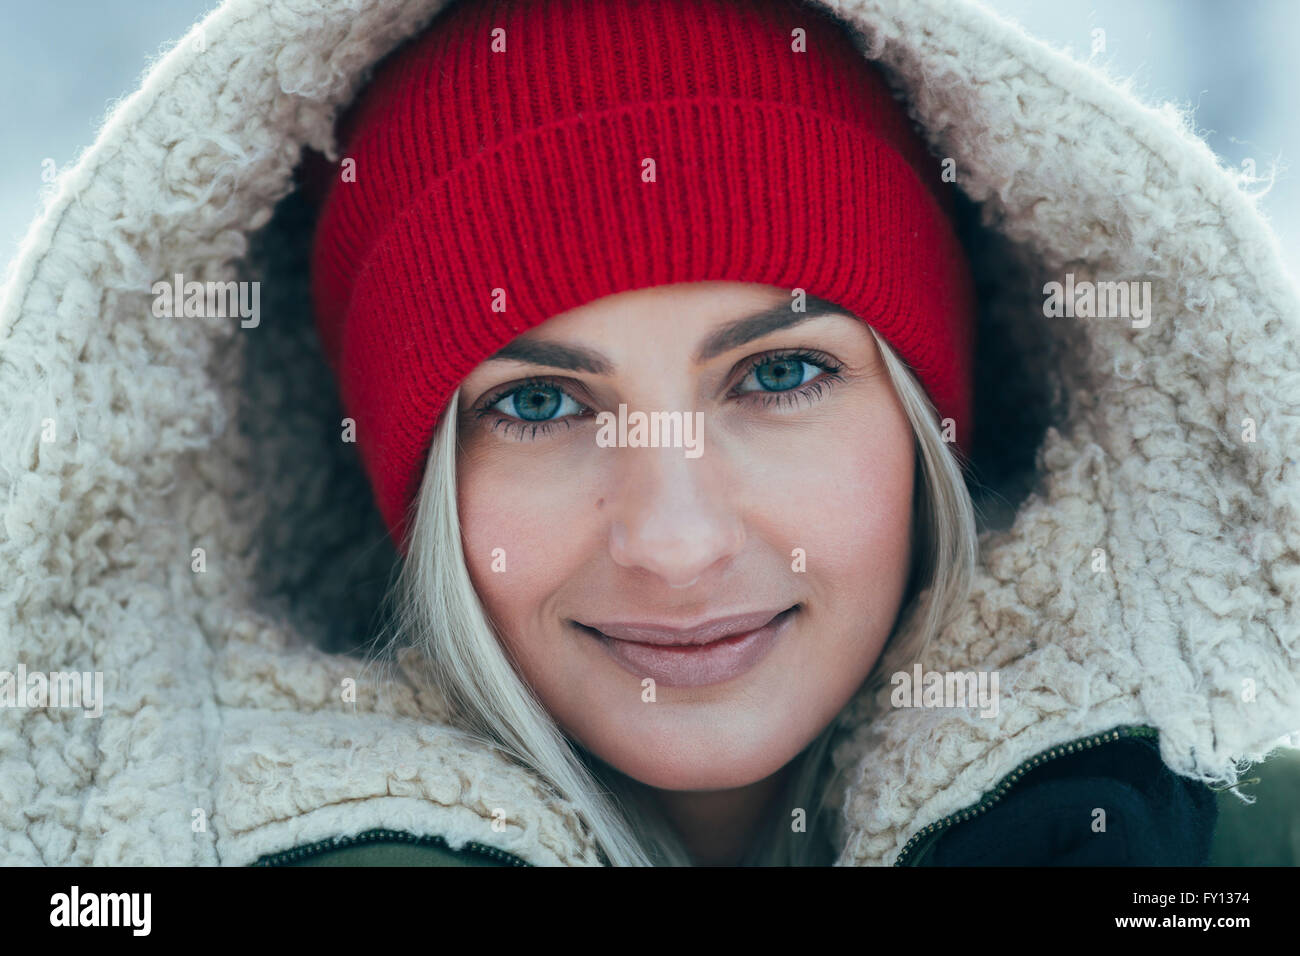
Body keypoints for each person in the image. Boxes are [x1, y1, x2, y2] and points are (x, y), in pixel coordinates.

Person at [2, 0, 1297, 868]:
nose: (674, 542)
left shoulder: (1227, 840)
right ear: (413, 487)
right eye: (539, 402)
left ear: (925, 421)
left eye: (779, 374)